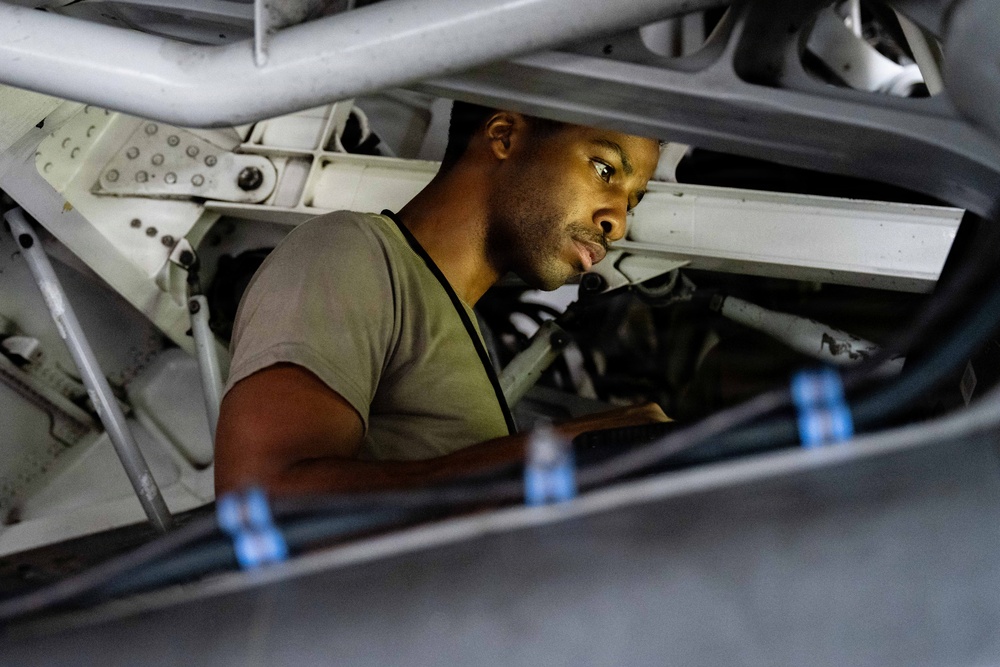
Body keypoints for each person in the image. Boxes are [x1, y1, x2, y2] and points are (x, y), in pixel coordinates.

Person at [214, 102, 668, 495]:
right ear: (504, 136)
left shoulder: (459, 331)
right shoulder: (354, 250)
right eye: (604, 170)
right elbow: (263, 497)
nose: (617, 223)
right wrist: (564, 448)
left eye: (631, 204)